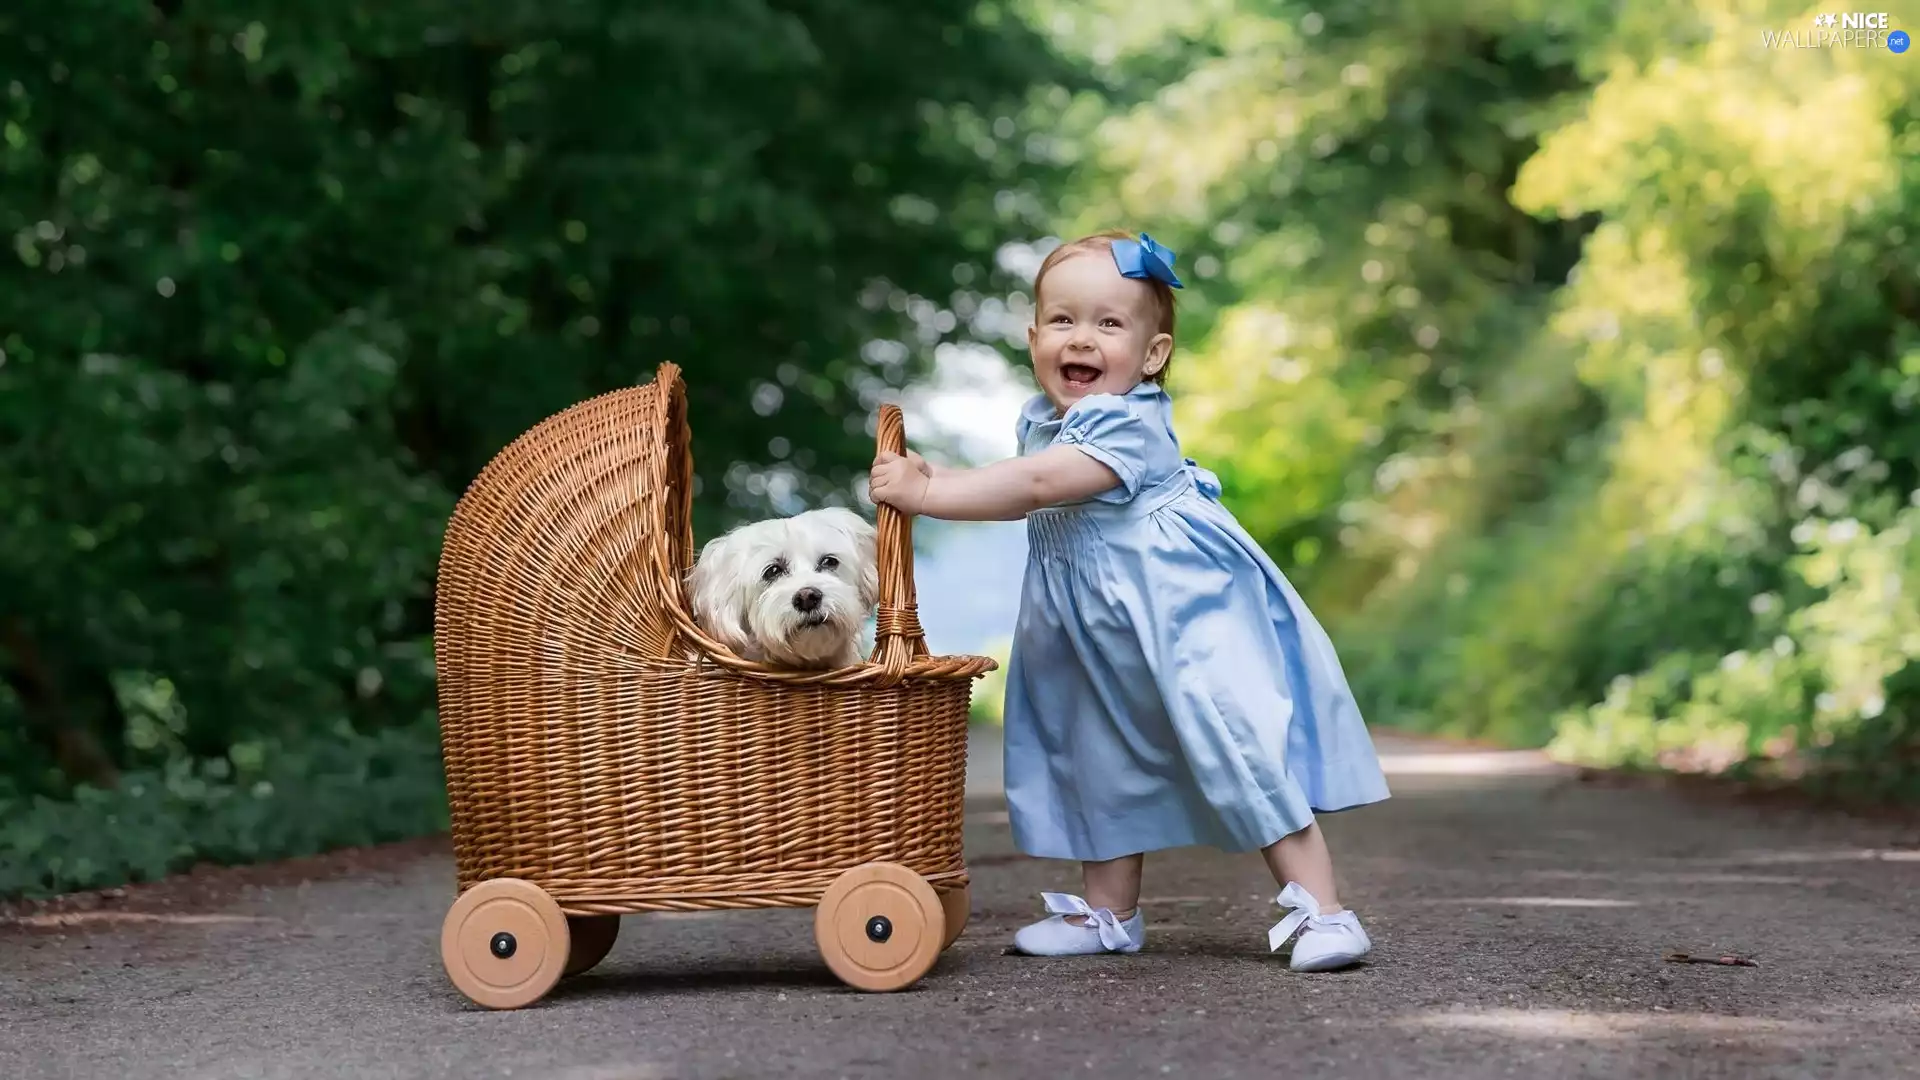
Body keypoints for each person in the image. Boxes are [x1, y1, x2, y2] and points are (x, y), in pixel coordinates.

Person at [867, 230, 1391, 971]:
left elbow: (1043, 486)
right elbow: (1023, 475)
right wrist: (940, 473)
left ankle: (1324, 911)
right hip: (1090, 626)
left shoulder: (1127, 419)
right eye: (1063, 320)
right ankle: (1110, 913)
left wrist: (930, 495)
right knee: (1094, 753)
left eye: (1109, 324)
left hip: (1176, 614)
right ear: (1033, 337)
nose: (1082, 338)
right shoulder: (1045, 421)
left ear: (1152, 355)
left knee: (1231, 739)